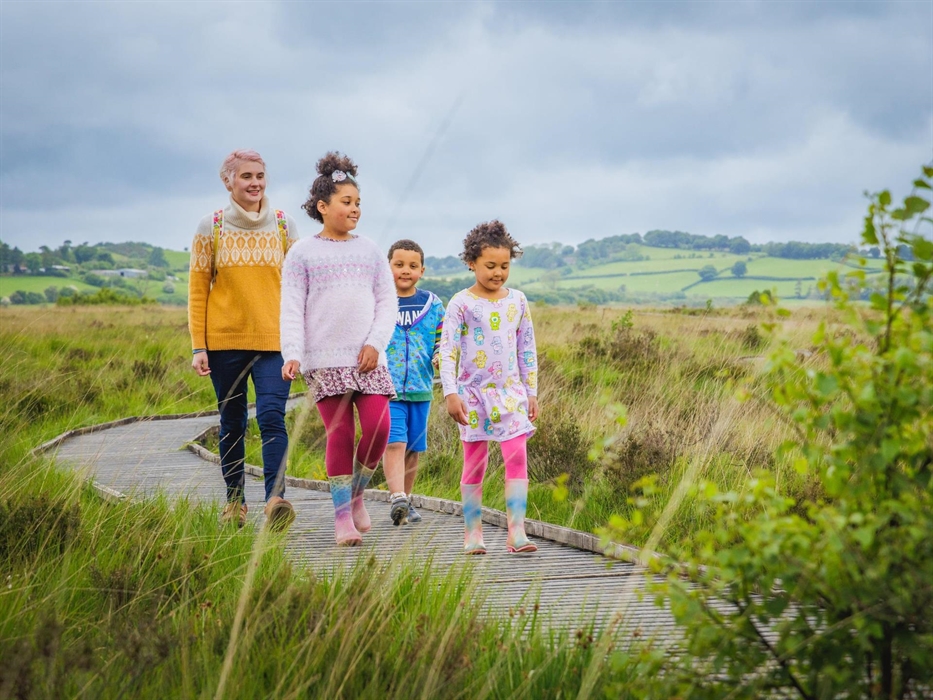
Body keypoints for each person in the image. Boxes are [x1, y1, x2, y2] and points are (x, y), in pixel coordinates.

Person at [280, 152, 396, 546]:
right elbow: (292, 307)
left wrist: (375, 343)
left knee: (380, 427)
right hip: (324, 360)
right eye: (347, 202)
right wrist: (292, 352)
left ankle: (359, 494)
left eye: (358, 203)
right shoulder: (301, 254)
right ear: (323, 206)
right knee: (341, 433)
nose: (355, 209)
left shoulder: (370, 250)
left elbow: (387, 302)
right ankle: (342, 516)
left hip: (367, 358)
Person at [188, 149, 299, 531]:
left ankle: (275, 499)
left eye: (260, 176)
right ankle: (235, 501)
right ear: (228, 181)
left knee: (272, 418)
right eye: (247, 176)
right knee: (232, 422)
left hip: (276, 343)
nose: (255, 183)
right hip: (225, 344)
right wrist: (198, 346)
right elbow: (198, 290)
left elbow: (301, 289)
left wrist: (302, 344)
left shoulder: (284, 225)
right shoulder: (212, 227)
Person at [438, 220, 539, 555]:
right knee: (475, 462)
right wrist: (450, 394)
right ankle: (473, 533)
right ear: (472, 262)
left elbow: (527, 349)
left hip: (512, 395)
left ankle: (517, 532)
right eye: (490, 266)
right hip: (472, 396)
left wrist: (532, 391)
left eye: (505, 266)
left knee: (517, 458)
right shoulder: (460, 303)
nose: (498, 273)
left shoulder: (518, 301)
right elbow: (448, 350)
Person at [384, 239, 445, 526]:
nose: (405, 270)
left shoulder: (433, 304)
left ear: (422, 270)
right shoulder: (380, 301)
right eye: (399, 265)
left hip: (421, 389)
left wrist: (439, 356)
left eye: (412, 265)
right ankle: (396, 496)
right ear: (388, 268)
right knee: (395, 442)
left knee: (413, 450)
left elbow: (441, 340)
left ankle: (405, 502)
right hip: (388, 389)